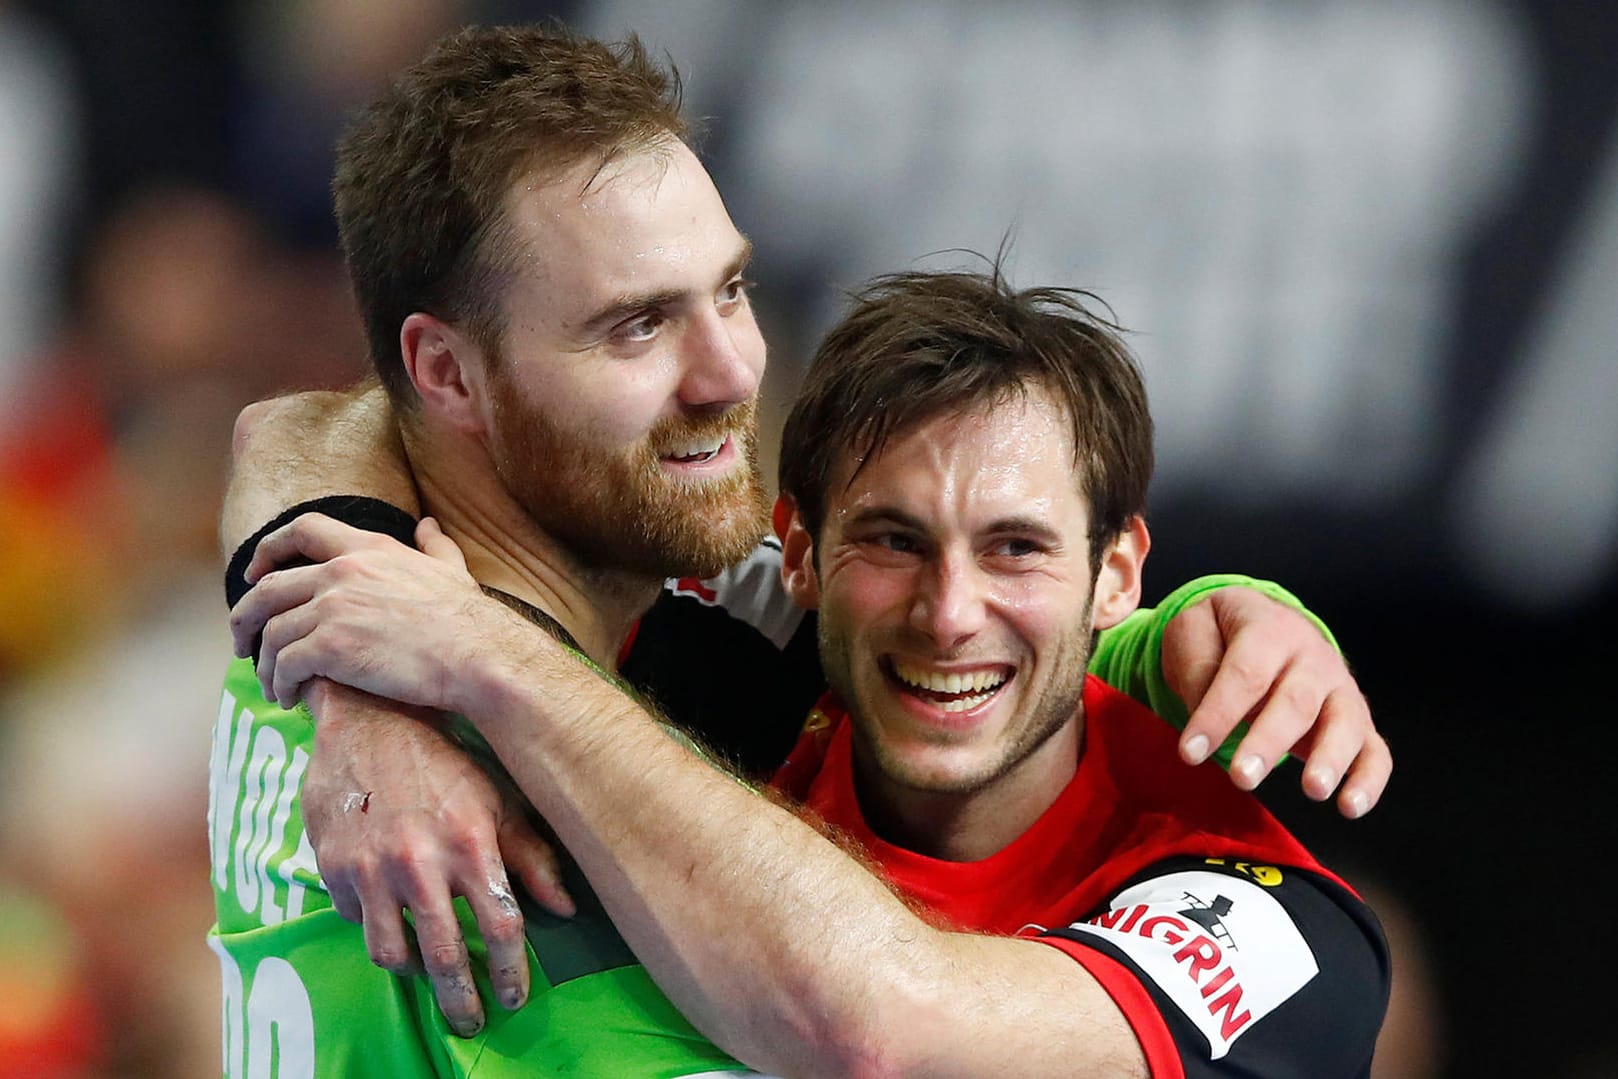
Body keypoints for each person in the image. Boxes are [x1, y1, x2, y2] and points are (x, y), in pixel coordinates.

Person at [214, 22, 1388, 1074]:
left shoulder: (407, 623)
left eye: (731, 288)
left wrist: (1208, 620)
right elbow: (865, 1026)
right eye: (636, 323)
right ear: (446, 372)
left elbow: (300, 426)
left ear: (1116, 567)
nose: (730, 369)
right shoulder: (466, 847)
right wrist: (402, 690)